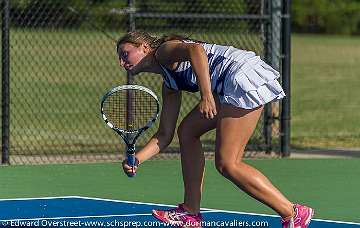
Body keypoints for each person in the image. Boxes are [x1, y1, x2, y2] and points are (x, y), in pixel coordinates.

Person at [116, 31, 314, 228]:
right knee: (187, 132)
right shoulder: (170, 84)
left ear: (144, 47)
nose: (122, 62)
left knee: (228, 164)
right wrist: (138, 159)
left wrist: (206, 95)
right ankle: (190, 212)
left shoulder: (163, 52)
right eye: (119, 57)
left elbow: (196, 49)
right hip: (229, 83)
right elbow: (164, 135)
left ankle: (293, 213)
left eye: (125, 54)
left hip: (240, 74)